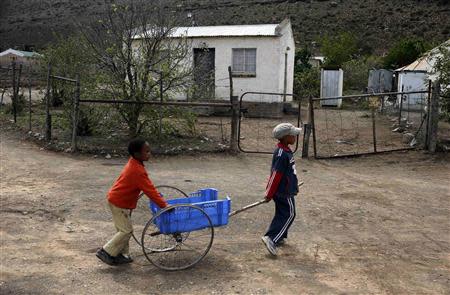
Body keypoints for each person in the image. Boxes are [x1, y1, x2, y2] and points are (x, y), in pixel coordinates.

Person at [96, 139, 168, 265]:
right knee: (126, 231)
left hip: (117, 200)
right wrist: (165, 206)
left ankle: (121, 255)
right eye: (146, 151)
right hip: (119, 203)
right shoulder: (137, 171)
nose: (149, 153)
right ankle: (106, 252)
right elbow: (150, 191)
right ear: (137, 154)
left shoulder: (134, 163)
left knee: (122, 229)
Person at [261, 123, 301, 256]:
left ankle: (279, 236)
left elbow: (287, 173)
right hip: (284, 192)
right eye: (293, 134)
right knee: (290, 214)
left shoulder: (285, 150)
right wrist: (269, 193)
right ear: (285, 137)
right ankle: (272, 238)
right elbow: (275, 175)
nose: (295, 136)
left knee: (282, 214)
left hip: (286, 189)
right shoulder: (281, 154)